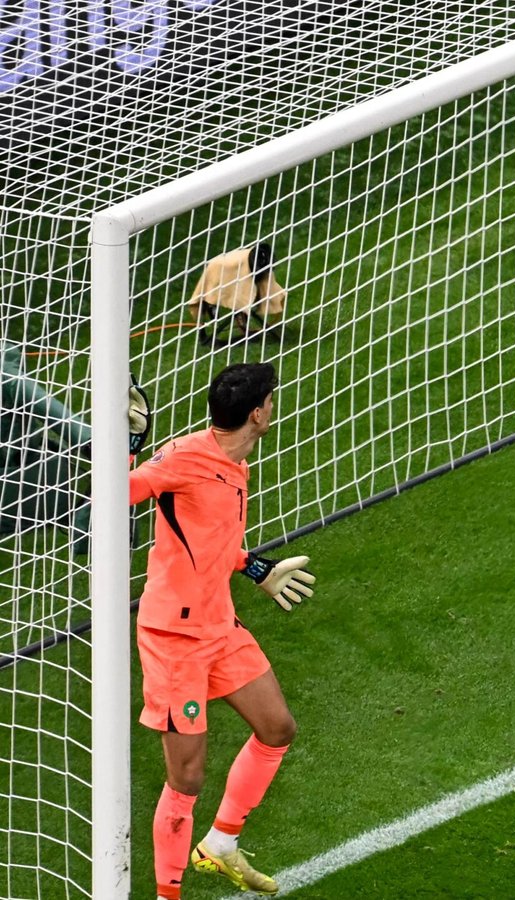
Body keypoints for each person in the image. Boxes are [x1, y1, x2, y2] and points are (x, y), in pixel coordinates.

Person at [130, 363, 317, 898]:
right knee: (186, 780)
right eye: (272, 400)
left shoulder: (235, 462)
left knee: (277, 728)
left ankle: (221, 842)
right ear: (257, 414)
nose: (274, 407)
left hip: (220, 625)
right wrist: (128, 446)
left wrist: (256, 568)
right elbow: (118, 492)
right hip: (175, 639)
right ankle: (168, 895)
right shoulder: (185, 457)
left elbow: (211, 538)